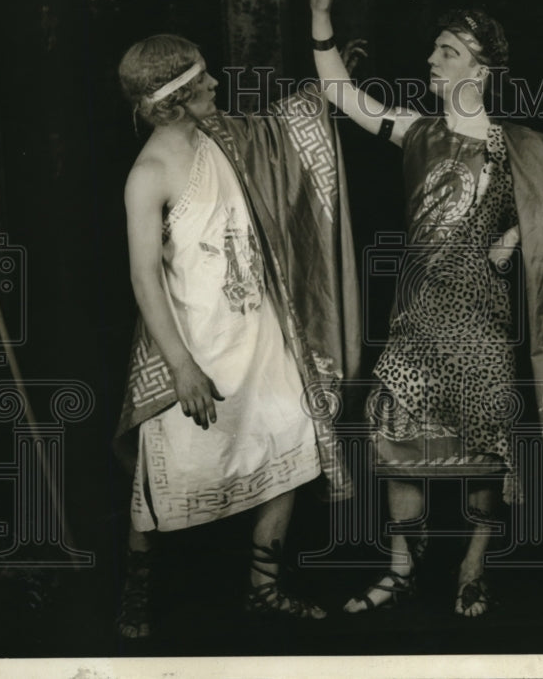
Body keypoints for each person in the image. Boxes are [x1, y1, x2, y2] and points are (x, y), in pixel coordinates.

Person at [305, 0, 543, 617]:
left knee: (484, 456)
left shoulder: (521, 145)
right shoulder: (415, 131)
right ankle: (399, 565)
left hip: (481, 324)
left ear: (481, 68)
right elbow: (340, 93)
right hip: (415, 322)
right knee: (395, 445)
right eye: (434, 48)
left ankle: (473, 565)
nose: (432, 59)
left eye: (448, 50)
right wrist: (320, 19)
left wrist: (517, 237)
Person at [113, 34, 360, 638]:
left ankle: (264, 590)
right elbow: (144, 277)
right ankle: (135, 595)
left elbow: (281, 132)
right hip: (195, 348)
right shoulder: (147, 174)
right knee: (162, 482)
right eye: (204, 82)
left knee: (290, 447)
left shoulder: (223, 135)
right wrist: (181, 368)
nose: (217, 87)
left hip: (262, 337)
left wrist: (329, 63)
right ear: (175, 99)